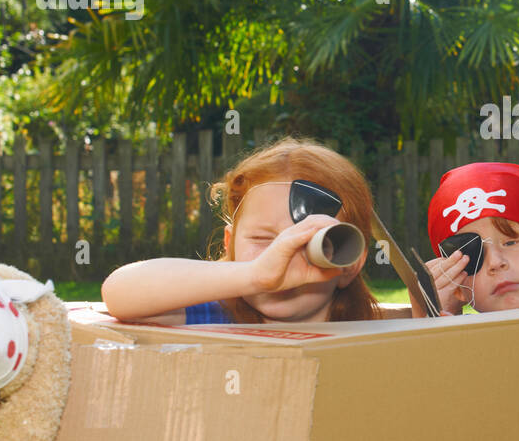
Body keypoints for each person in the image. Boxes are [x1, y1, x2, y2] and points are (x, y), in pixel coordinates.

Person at [102, 136, 382, 324]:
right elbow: (118, 292)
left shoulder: (368, 332)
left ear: (349, 262)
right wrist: (255, 275)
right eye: (262, 239)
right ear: (230, 243)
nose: (281, 256)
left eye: (313, 244)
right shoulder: (212, 317)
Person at [420, 162, 519, 315]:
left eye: (511, 242)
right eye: (472, 254)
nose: (495, 263)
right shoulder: (455, 342)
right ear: (456, 286)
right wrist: (434, 324)